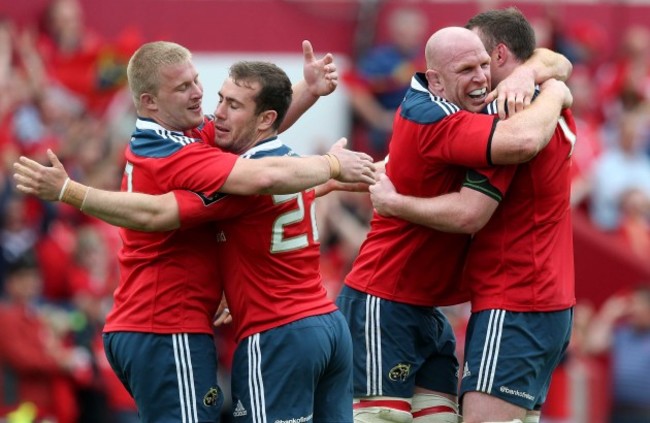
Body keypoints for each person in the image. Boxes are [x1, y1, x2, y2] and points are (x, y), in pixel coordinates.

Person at [15, 40, 374, 423]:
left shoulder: (188, 136)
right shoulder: (176, 155)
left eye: (197, 80)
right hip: (167, 325)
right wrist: (333, 166)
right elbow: (172, 206)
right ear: (151, 102)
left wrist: (307, 91)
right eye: (183, 87)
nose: (201, 94)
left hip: (181, 325)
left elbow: (247, 134)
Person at [334, 19, 573, 423]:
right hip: (386, 299)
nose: (480, 77)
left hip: (469, 303)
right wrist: (554, 86)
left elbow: (552, 73)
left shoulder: (510, 110)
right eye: (464, 69)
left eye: (481, 63)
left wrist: (549, 81)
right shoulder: (452, 118)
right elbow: (474, 204)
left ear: (498, 56)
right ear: (437, 81)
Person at [342, 6, 428, 160]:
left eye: (413, 28)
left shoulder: (430, 57)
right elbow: (356, 92)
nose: (408, 34)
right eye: (404, 29)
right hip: (388, 127)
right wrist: (380, 119)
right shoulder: (379, 59)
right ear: (394, 32)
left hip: (425, 123)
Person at [583, 284, 650, 423]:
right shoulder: (623, 332)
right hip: (618, 410)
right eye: (631, 303)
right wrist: (608, 314)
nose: (633, 309)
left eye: (639, 304)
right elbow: (592, 346)